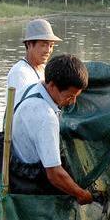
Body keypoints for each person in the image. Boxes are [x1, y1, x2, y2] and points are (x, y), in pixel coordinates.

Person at [9, 54, 92, 204]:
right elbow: (54, 174)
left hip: (15, 168)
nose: (73, 102)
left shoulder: (31, 87)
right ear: (52, 85)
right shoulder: (46, 118)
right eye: (70, 96)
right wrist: (81, 194)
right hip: (31, 187)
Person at [6, 18, 62, 102]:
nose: (48, 50)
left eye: (51, 46)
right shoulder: (19, 73)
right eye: (43, 45)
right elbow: (20, 107)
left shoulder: (44, 68)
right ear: (29, 44)